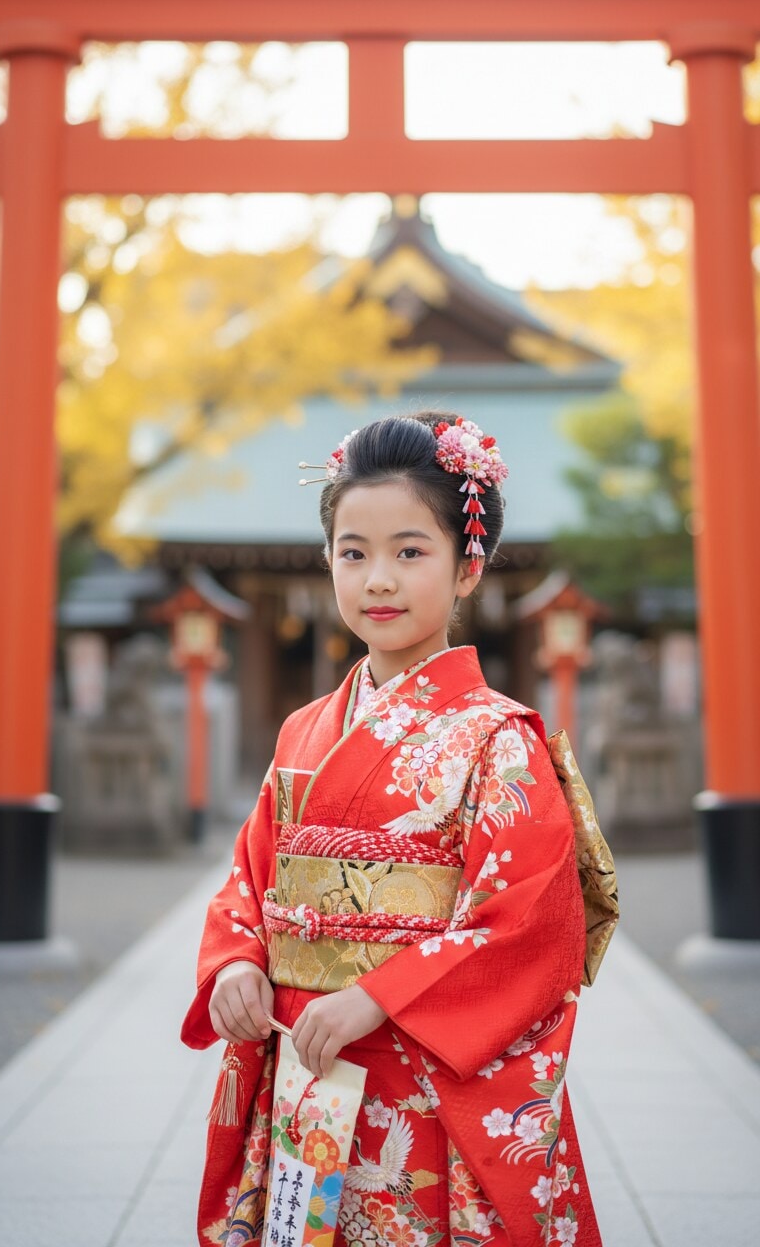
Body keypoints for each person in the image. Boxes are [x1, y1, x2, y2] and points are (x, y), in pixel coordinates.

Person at [181, 411, 602, 1247]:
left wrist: (375, 997)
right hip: (303, 1060)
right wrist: (235, 962)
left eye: (410, 553)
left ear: (468, 567)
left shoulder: (497, 739)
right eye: (353, 553)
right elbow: (251, 880)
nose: (378, 580)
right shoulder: (303, 730)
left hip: (420, 1073)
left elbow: (526, 925)